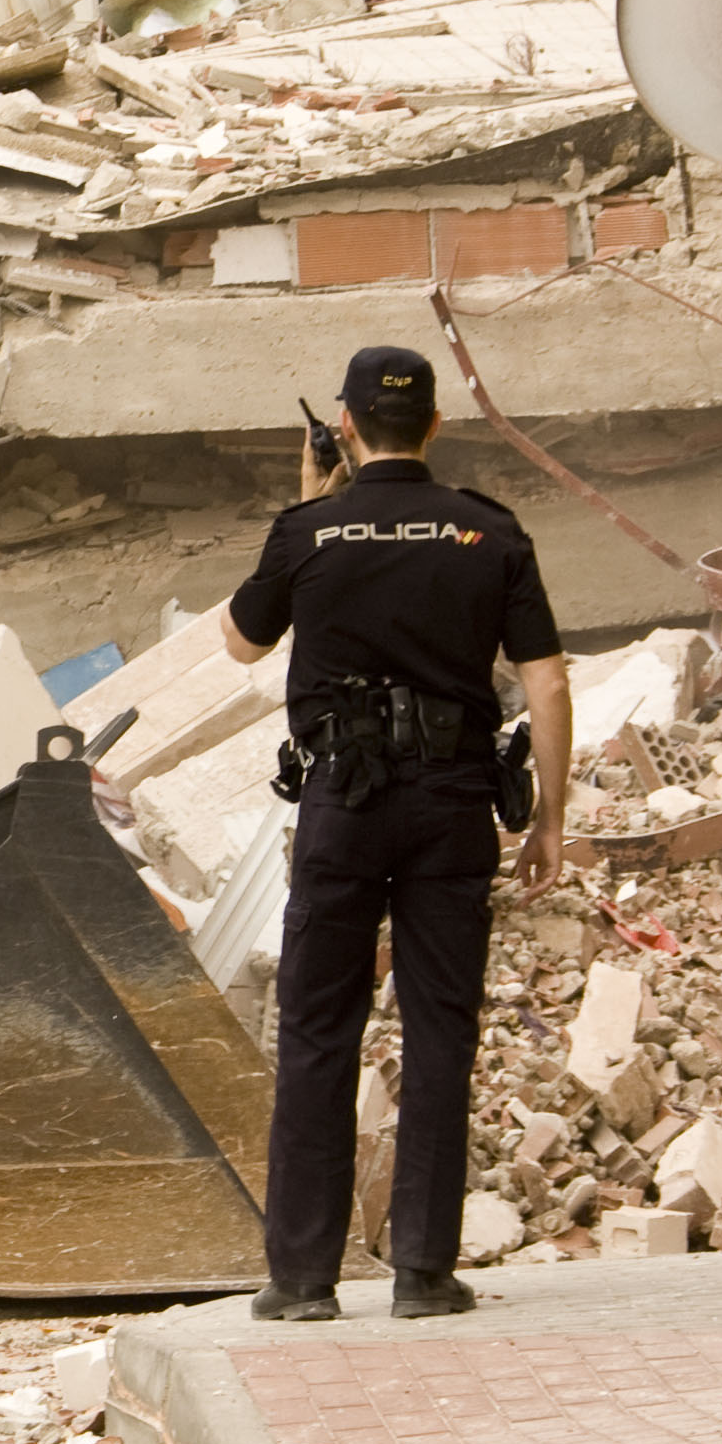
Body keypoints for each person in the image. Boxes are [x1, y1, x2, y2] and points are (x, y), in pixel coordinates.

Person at [219, 344, 572, 1322]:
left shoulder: (307, 532)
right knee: (440, 1031)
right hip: (452, 806)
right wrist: (550, 817)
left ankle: (302, 1281)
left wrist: (310, 504)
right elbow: (545, 681)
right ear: (435, 426)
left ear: (343, 426)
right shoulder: (488, 531)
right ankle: (423, 1273)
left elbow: (241, 641)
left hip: (344, 805)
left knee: (318, 1031)